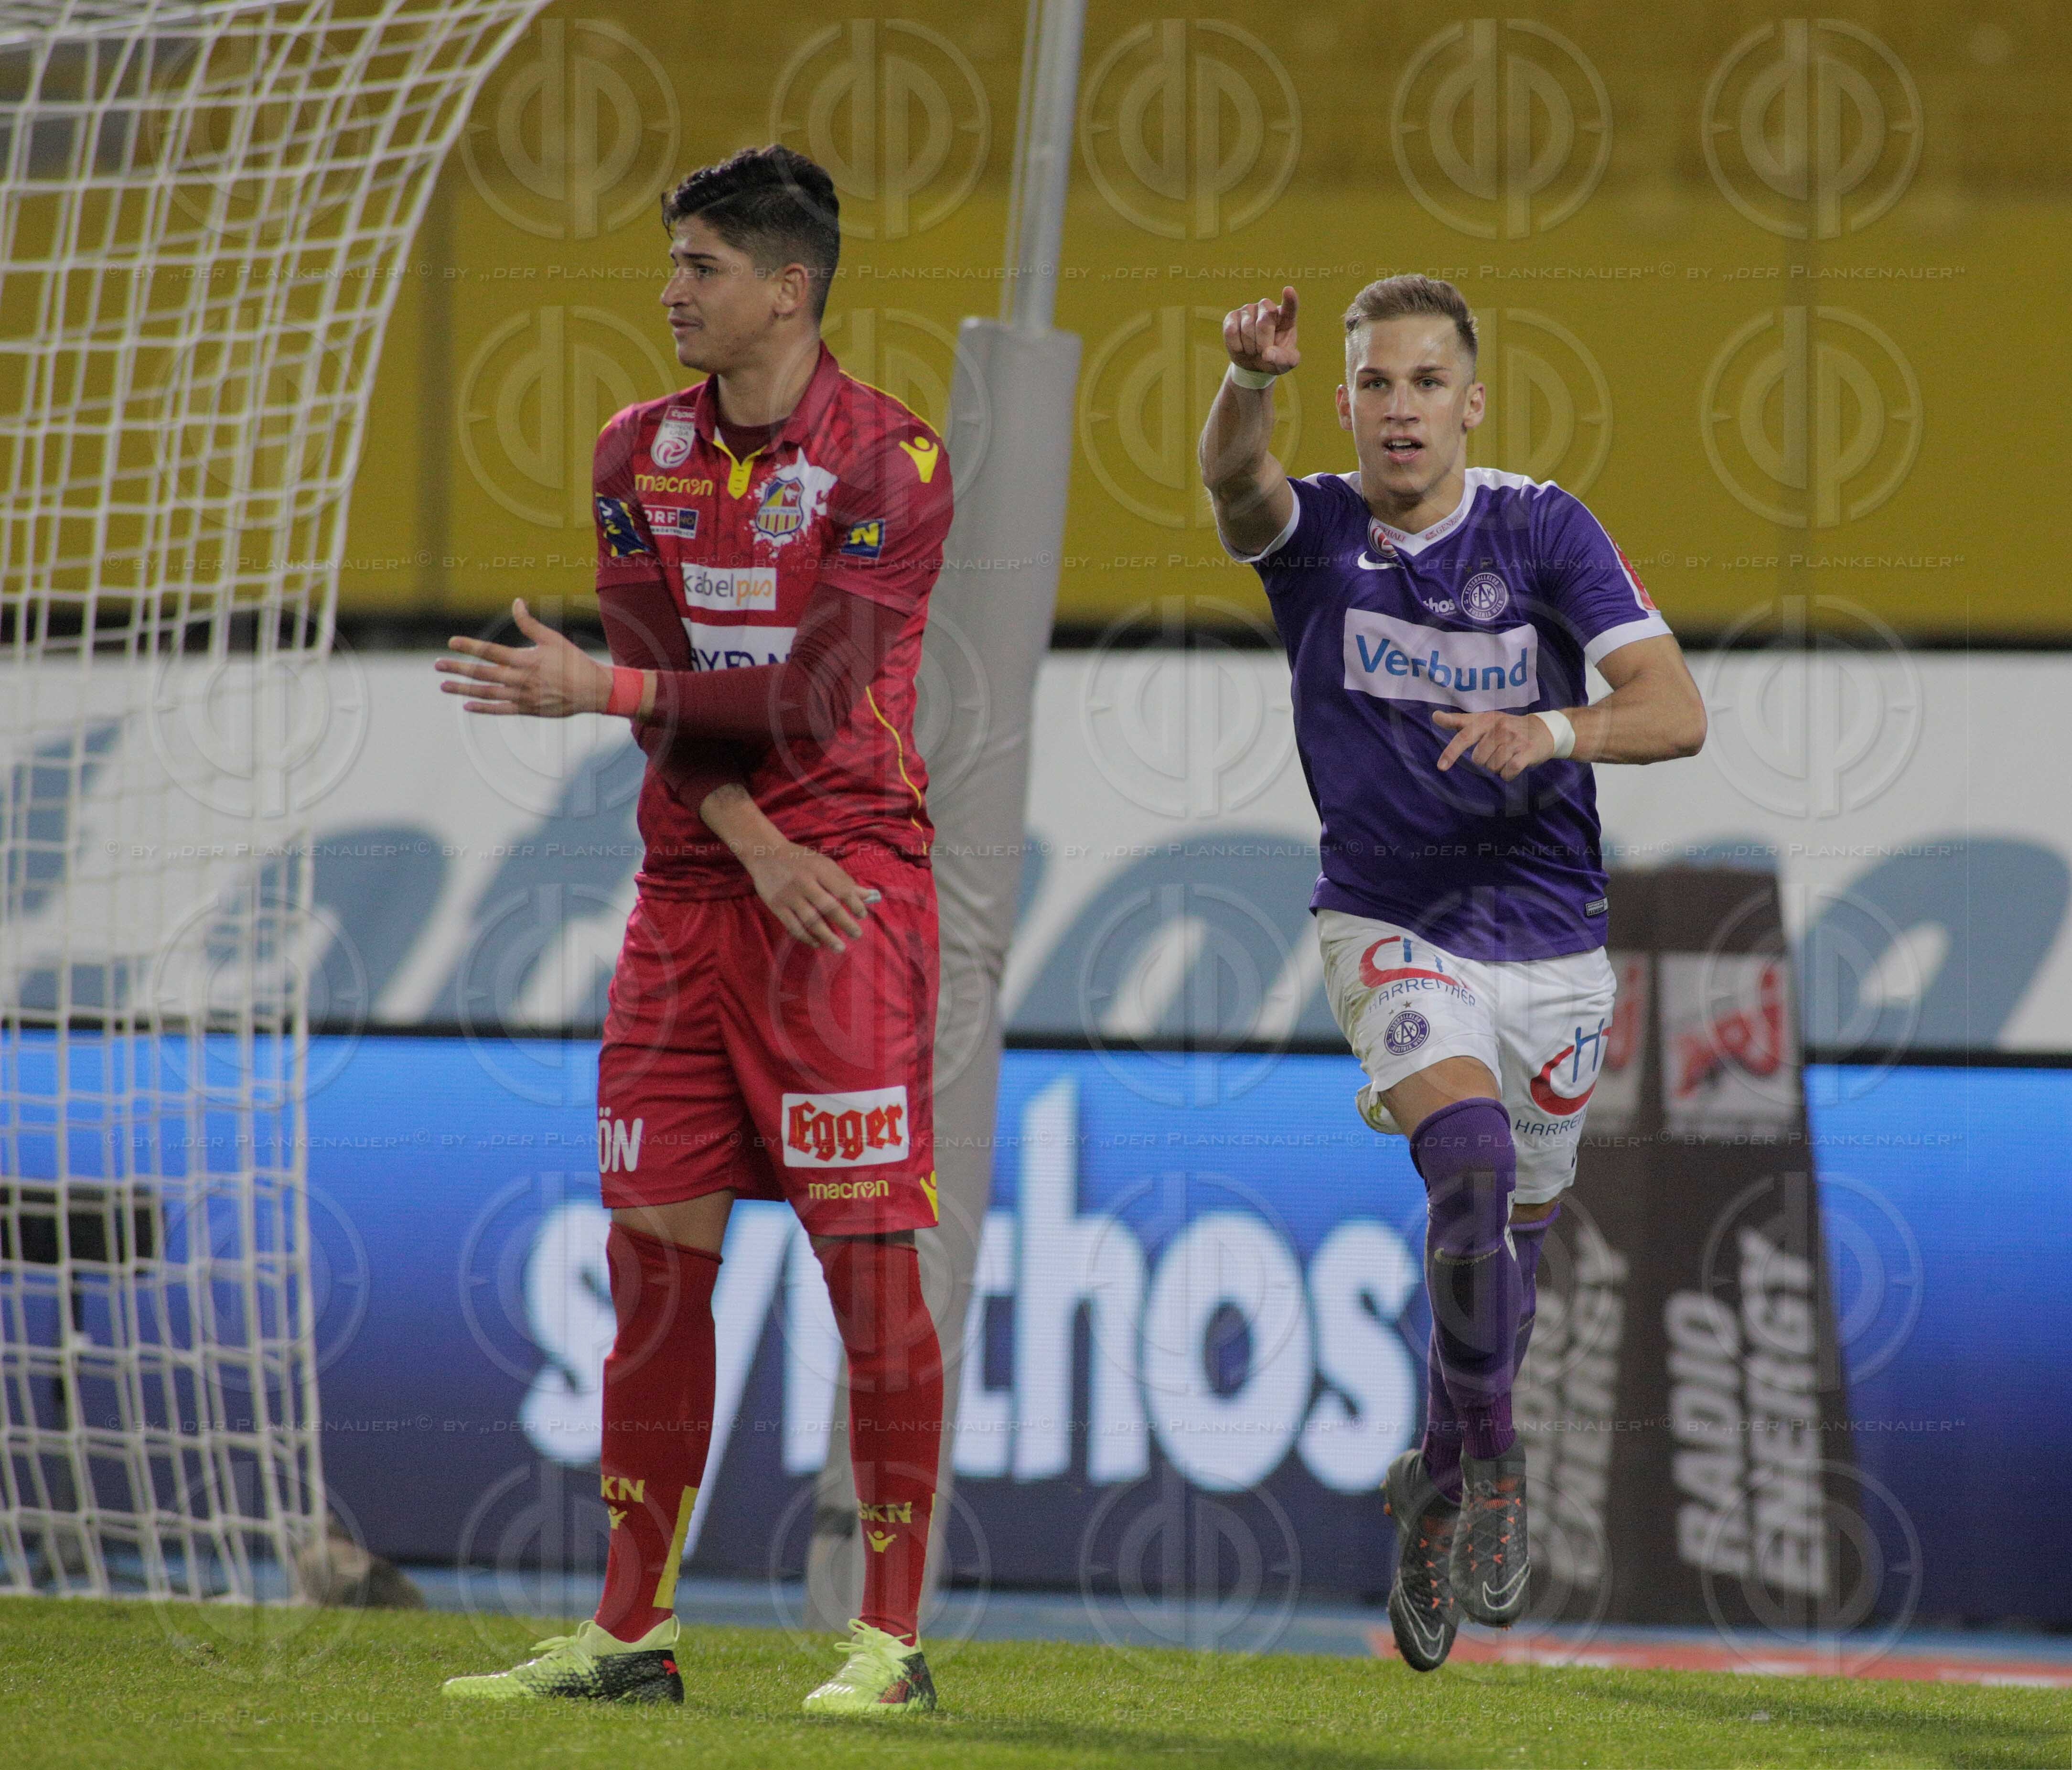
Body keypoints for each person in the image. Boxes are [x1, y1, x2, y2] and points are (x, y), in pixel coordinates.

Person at [434, 144, 953, 1717]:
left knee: (868, 1279)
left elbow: (807, 692)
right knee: (654, 1268)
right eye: (672, 264)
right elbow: (669, 681)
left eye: (702, 268)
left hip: (847, 893)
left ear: (788, 289)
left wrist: (607, 695)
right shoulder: (629, 451)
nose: (671, 290)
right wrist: (735, 828)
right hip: (698, 895)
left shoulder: (890, 463)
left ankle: (891, 1641)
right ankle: (631, 1634)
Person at [1199, 275, 1705, 1671]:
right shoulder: (1317, 538)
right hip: (1387, 921)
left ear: (1469, 405)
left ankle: (1434, 1472)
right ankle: (1493, 1471)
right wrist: (1247, 382)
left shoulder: (1542, 528)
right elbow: (1235, 491)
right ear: (1346, 399)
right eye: (1372, 384)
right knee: (1468, 1165)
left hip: (1549, 938)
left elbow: (1674, 711)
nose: (1398, 408)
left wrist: (1545, 731)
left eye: (1425, 383)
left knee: (1510, 1252)